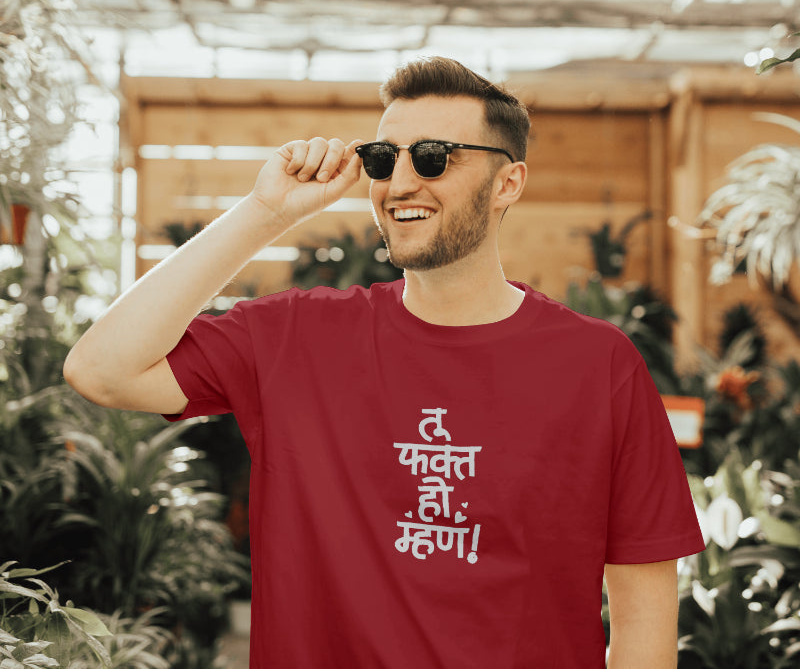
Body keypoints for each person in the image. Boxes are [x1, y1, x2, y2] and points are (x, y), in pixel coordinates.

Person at [64, 56, 704, 668]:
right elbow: (102, 370)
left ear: (508, 182)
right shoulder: (295, 336)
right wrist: (264, 214)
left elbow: (644, 617)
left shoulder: (598, 365)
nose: (400, 184)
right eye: (381, 159)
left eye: (433, 158)